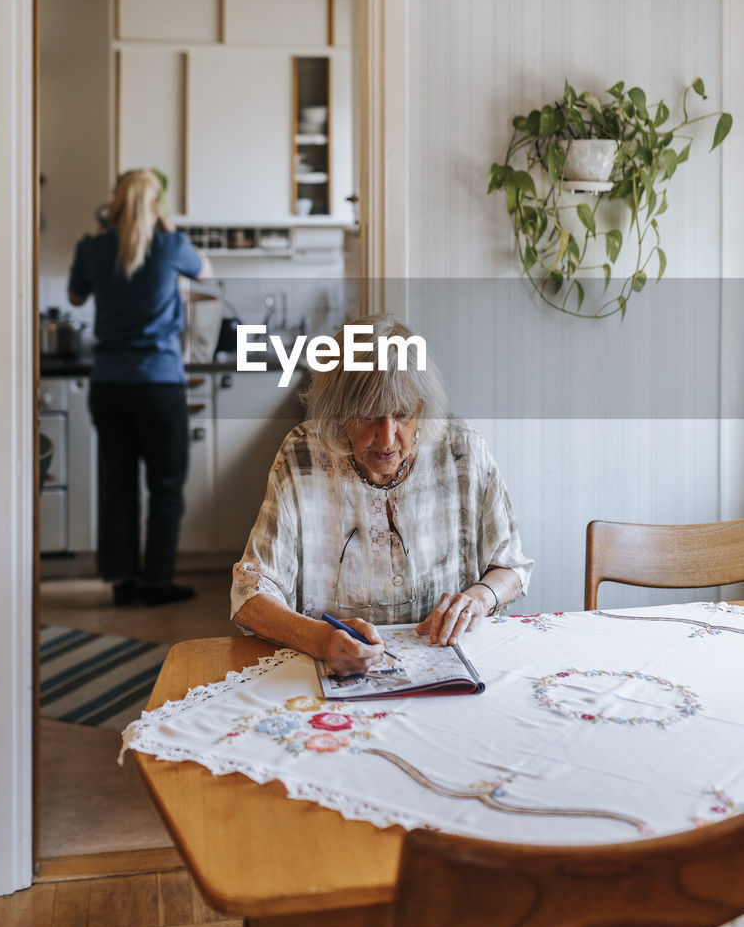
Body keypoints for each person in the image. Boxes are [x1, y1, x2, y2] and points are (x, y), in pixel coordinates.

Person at [231, 313, 533, 673]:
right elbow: (250, 594)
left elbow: (511, 566)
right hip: (336, 673)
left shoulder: (461, 449)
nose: (388, 439)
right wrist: (318, 638)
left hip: (446, 669)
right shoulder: (303, 456)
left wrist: (479, 598)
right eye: (369, 416)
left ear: (422, 407)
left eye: (403, 414)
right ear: (339, 413)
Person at [68, 169, 213, 606]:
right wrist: (167, 227)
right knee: (165, 487)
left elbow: (76, 297)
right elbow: (206, 273)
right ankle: (156, 583)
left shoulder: (92, 246)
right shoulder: (170, 244)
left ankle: (123, 583)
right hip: (157, 383)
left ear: (115, 201)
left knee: (119, 485)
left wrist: (101, 240)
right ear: (157, 204)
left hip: (109, 384)